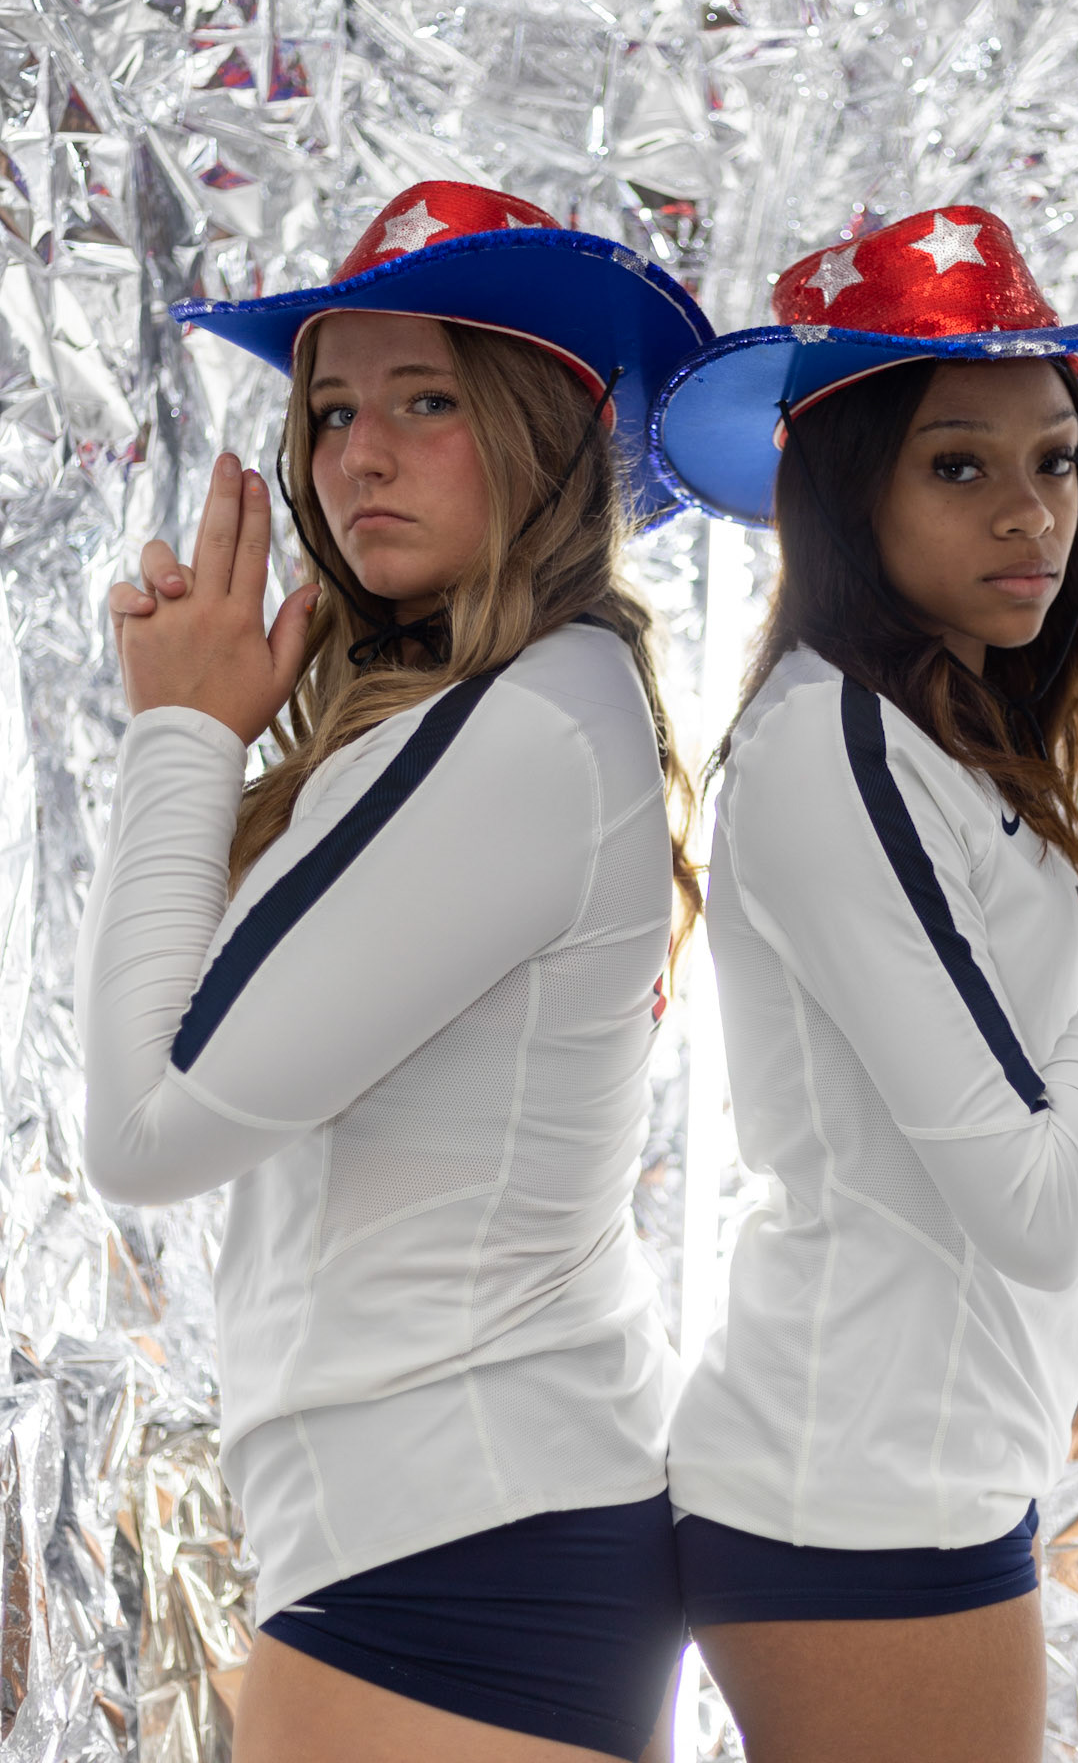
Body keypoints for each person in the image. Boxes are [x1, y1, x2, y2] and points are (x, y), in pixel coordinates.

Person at [75, 181, 715, 1763]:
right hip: (449, 1540)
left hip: (459, 1557)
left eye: (424, 400)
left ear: (541, 436)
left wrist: (182, 733)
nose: (355, 453)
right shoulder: (482, 714)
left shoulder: (518, 725)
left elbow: (148, 1132)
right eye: (332, 407)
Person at [648, 206, 1078, 1763]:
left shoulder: (940, 737)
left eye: (1055, 459)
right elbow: (1032, 1201)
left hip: (912, 1489)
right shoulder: (833, 744)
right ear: (845, 487)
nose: (1030, 515)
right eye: (959, 464)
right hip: (851, 1506)